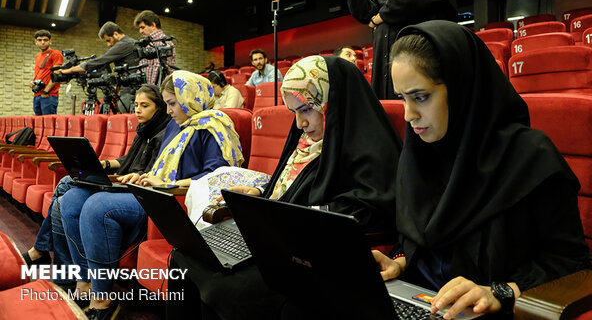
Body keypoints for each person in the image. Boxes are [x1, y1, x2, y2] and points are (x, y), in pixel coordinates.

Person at [372, 20, 590, 319]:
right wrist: (400, 262)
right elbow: (417, 237)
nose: (409, 115)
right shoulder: (419, 152)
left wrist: (498, 291)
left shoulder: (530, 157)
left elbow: (570, 262)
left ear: (462, 88)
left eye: (421, 97)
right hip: (421, 303)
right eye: (403, 98)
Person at [166, 55, 402, 319]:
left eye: (306, 110)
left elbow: (363, 211)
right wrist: (260, 196)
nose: (300, 124)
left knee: (222, 289)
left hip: (309, 255)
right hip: (274, 240)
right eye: (294, 113)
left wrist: (281, 220)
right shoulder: (305, 143)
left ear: (332, 102)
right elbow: (287, 190)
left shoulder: (367, 148)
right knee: (184, 256)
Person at [59, 71, 243, 319]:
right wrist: (142, 176)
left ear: (191, 98)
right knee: (71, 200)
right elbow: (159, 166)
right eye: (167, 104)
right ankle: (85, 281)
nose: (168, 111)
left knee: (96, 206)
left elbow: (218, 177)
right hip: (152, 188)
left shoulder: (214, 126)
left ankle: (102, 299)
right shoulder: (177, 125)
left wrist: (167, 183)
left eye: (172, 103)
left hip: (174, 199)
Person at [21, 84, 171, 293]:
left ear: (160, 108)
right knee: (64, 191)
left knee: (64, 193)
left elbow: (150, 171)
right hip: (122, 179)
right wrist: (105, 164)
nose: (137, 110)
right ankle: (59, 265)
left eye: (144, 106)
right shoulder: (143, 131)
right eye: (136, 104)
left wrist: (114, 175)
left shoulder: (164, 133)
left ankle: (49, 257)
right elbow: (128, 159)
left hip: (134, 188)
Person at [59, 22, 140, 113]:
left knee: (124, 118)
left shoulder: (124, 44)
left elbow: (100, 61)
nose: (109, 45)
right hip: (130, 89)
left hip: (131, 91)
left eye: (108, 40)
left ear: (116, 34)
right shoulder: (131, 42)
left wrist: (70, 70)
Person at [134, 10, 177, 85]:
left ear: (153, 25)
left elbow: (159, 72)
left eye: (142, 27)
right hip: (145, 91)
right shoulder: (146, 43)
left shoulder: (166, 44)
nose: (140, 31)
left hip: (157, 91)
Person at [31, 29, 63, 115]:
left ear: (50, 41)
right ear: (35, 42)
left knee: (49, 124)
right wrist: (32, 81)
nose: (42, 42)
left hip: (49, 95)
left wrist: (46, 91)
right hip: (37, 94)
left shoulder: (55, 53)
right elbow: (38, 72)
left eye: (45, 40)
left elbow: (56, 75)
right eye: (39, 40)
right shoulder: (37, 56)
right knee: (39, 124)